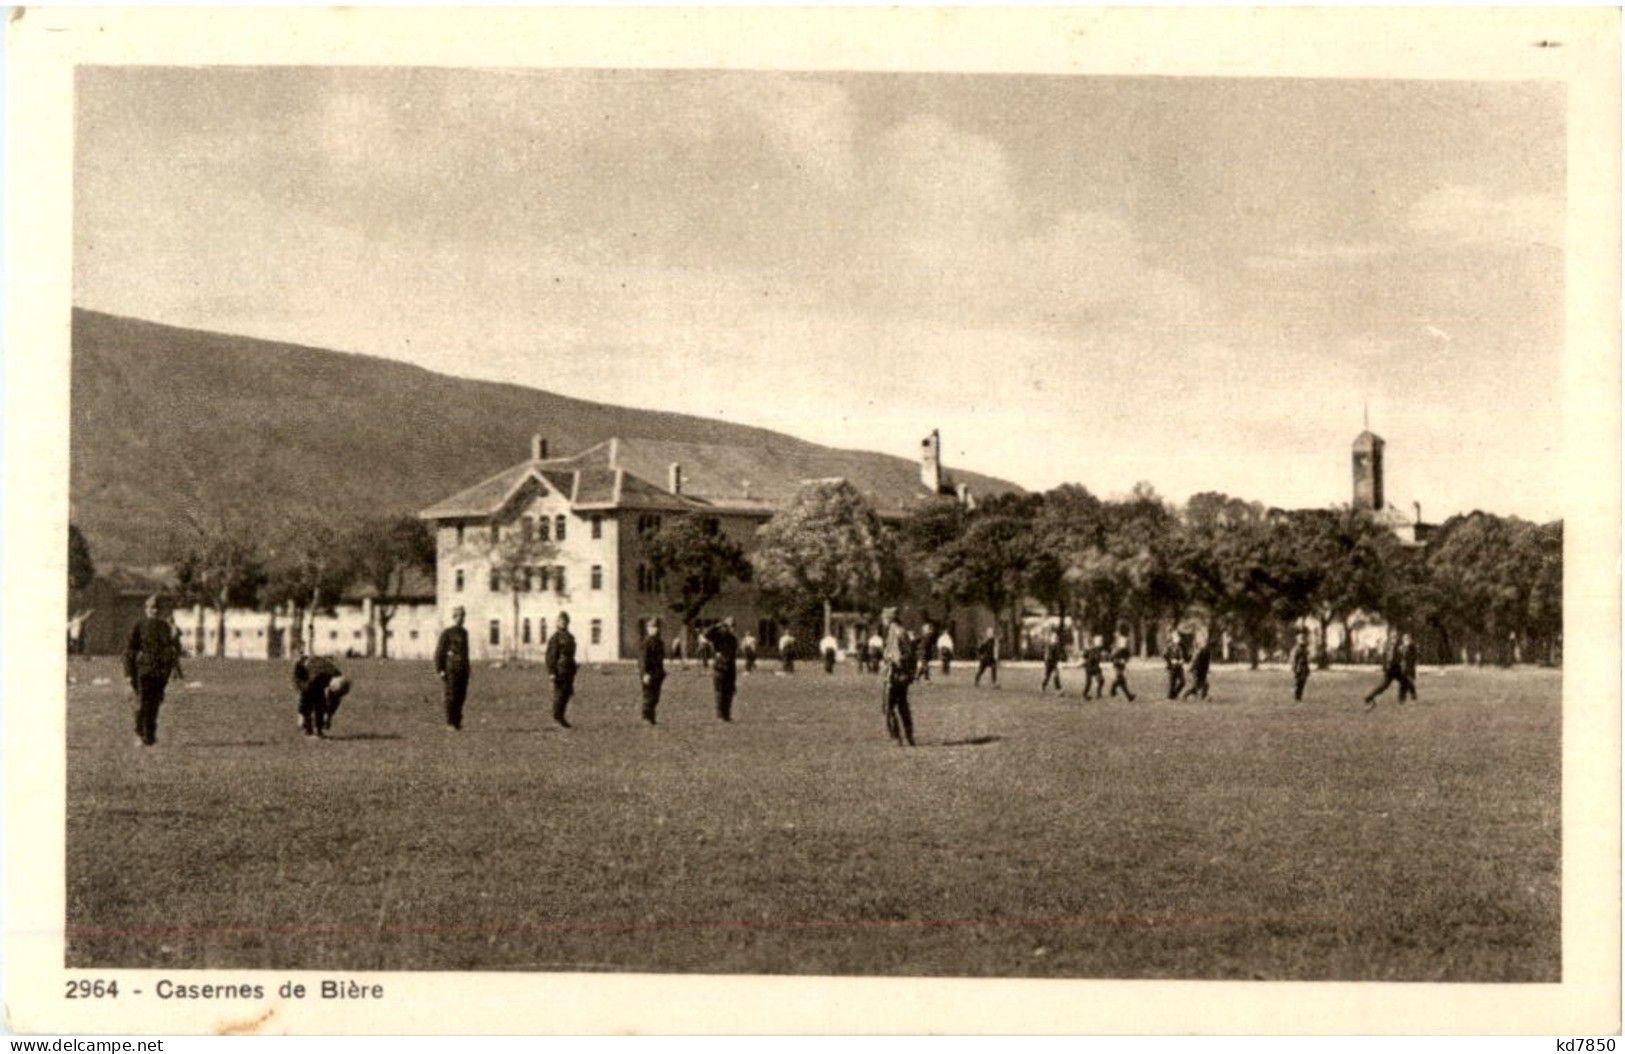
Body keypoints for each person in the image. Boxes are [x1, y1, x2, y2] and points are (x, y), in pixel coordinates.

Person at [123, 594, 183, 746]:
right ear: (146, 609)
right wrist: (128, 673)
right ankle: (139, 733)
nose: (154, 611)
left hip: (160, 671)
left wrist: (172, 669)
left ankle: (150, 736)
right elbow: (130, 650)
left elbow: (171, 649)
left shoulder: (164, 627)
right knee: (143, 702)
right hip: (143, 669)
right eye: (151, 608)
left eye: (156, 608)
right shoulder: (139, 626)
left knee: (155, 703)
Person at [880, 607, 916, 747]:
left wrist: (894, 660)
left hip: (894, 675)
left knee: (889, 707)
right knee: (901, 706)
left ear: (889, 619)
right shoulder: (896, 632)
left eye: (884, 618)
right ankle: (908, 736)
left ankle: (897, 737)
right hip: (900, 675)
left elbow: (907, 655)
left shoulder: (898, 633)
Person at [293, 653, 350, 738]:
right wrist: (301, 714)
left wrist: (329, 716)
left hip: (316, 674)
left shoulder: (337, 676)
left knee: (320, 702)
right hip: (301, 672)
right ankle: (309, 732)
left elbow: (335, 698)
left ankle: (318, 731)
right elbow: (305, 697)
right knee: (312, 700)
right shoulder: (313, 678)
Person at [434, 606, 471, 731]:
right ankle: (450, 723)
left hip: (463, 669)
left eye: (463, 616)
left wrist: (467, 667)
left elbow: (465, 652)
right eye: (459, 616)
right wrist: (440, 669)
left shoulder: (464, 633)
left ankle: (457, 722)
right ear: (454, 617)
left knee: (461, 696)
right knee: (451, 696)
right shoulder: (447, 633)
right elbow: (440, 651)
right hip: (451, 669)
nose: (461, 618)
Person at [544, 611, 578, 728]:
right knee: (559, 694)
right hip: (559, 670)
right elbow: (551, 656)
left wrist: (574, 667)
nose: (563, 623)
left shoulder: (570, 637)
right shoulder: (555, 638)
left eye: (565, 621)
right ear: (557, 623)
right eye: (561, 621)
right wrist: (552, 672)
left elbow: (571, 654)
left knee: (567, 693)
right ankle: (557, 717)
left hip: (569, 670)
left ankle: (561, 716)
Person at [1364, 632, 1416, 708]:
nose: (1395, 639)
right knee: (1384, 686)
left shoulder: (1393, 646)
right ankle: (1369, 698)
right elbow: (1390, 658)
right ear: (1391, 638)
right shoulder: (1393, 647)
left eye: (1396, 637)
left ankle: (1403, 699)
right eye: (1393, 637)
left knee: (1404, 682)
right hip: (1391, 670)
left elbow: (1402, 654)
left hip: (1396, 669)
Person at [704, 616, 740, 721]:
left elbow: (733, 655)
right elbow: (707, 634)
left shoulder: (733, 639)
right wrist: (717, 625)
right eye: (730, 626)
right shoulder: (719, 636)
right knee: (720, 692)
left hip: (730, 667)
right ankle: (720, 715)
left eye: (733, 626)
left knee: (729, 692)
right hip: (720, 667)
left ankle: (727, 715)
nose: (732, 628)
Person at [641, 617, 667, 724]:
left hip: (658, 673)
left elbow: (660, 659)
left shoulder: (660, 642)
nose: (654, 630)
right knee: (648, 696)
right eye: (652, 627)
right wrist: (644, 673)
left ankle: (652, 717)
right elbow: (642, 660)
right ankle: (646, 717)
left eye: (656, 627)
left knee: (656, 697)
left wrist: (662, 672)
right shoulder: (646, 642)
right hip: (648, 673)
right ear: (648, 629)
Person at [1289, 629, 1312, 702]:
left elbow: (1307, 660)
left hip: (1304, 668)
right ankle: (1297, 697)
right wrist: (1294, 668)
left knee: (1303, 682)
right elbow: (1293, 660)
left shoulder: (1305, 649)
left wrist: (1308, 669)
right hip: (1298, 667)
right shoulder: (1296, 649)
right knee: (1298, 682)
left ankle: (1299, 696)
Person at [1163, 634, 1187, 700]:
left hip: (1179, 667)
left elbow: (1184, 656)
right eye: (1176, 638)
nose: (1178, 639)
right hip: (1172, 667)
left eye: (1178, 638)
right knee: (1172, 684)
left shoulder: (1180, 646)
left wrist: (1182, 660)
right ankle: (1171, 696)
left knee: (1183, 682)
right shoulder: (1169, 646)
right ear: (1173, 639)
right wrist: (1171, 660)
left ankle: (1174, 694)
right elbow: (1164, 655)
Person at [1400, 633, 1420, 702]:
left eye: (1406, 638)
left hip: (1410, 666)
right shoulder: (1402, 647)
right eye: (1404, 638)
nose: (1405, 640)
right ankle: (1403, 697)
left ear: (1409, 639)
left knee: (1409, 681)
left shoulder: (1412, 646)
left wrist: (1413, 663)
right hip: (1403, 666)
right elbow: (1400, 656)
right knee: (1403, 682)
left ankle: (1413, 695)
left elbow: (1415, 656)